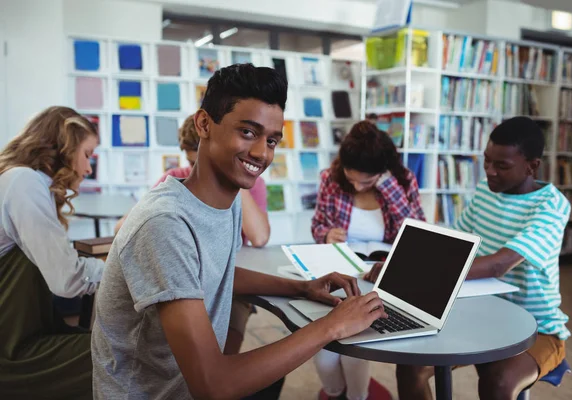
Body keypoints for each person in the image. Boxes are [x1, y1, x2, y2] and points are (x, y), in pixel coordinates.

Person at [91, 63, 387, 399]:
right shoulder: (164, 224)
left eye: (272, 140)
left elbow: (217, 270)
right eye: (248, 132)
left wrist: (301, 287)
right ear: (204, 124)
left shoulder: (226, 200)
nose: (262, 153)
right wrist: (331, 327)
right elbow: (212, 385)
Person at [367, 116, 570, 400]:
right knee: (410, 367)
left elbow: (500, 264)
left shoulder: (552, 207)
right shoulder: (486, 191)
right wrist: (399, 261)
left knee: (497, 383)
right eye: (487, 161)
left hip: (538, 328)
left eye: (502, 166)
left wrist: (411, 270)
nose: (490, 171)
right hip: (482, 314)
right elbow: (454, 244)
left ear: (532, 166)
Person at [311, 120, 426, 400]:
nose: (357, 186)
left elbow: (416, 234)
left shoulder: (403, 180)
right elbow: (317, 226)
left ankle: (357, 396)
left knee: (354, 344)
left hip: (384, 274)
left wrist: (389, 187)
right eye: (352, 178)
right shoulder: (331, 178)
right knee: (324, 352)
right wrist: (326, 235)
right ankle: (336, 392)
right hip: (342, 272)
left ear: (383, 171)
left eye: (367, 180)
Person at [0, 106, 104, 399]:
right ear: (65, 146)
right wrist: (122, 271)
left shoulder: (19, 180)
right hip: (10, 348)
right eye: (87, 155)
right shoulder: (24, 182)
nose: (88, 169)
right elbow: (67, 281)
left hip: (17, 334)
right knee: (123, 355)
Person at [115, 115, 270, 248]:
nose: (200, 172)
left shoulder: (251, 184)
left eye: (208, 163)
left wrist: (234, 176)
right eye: (192, 163)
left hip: (235, 269)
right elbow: (122, 228)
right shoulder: (175, 178)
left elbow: (259, 238)